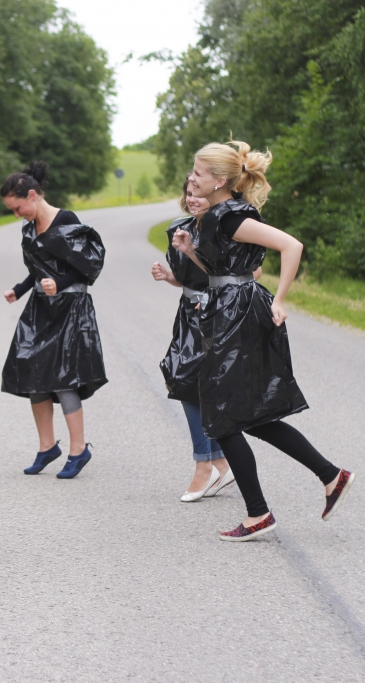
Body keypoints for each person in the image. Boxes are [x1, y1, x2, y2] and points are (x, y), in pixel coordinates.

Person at [172, 140, 355, 542]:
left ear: (220, 181)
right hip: (226, 309)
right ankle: (330, 476)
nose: (192, 178)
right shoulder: (213, 216)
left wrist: (282, 299)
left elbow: (292, 245)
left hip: (241, 314)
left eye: (199, 173)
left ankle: (259, 514)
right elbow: (224, 268)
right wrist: (192, 252)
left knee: (221, 414)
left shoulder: (232, 216)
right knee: (249, 416)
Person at [0, 162, 106, 479]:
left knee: (63, 377)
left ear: (31, 196)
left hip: (71, 307)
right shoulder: (29, 228)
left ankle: (78, 449)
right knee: (31, 368)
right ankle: (47, 447)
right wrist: (19, 290)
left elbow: (89, 264)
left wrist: (59, 283)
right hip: (40, 308)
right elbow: (37, 268)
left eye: (17, 208)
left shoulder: (66, 220)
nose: (17, 215)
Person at [151, 178, 236, 502]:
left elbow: (249, 272)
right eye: (188, 193)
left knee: (205, 386)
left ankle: (208, 464)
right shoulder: (179, 227)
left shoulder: (227, 226)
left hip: (220, 315)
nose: (192, 198)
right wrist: (168, 276)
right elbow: (184, 279)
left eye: (198, 193)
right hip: (188, 315)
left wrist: (215, 296)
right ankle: (216, 462)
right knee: (187, 382)